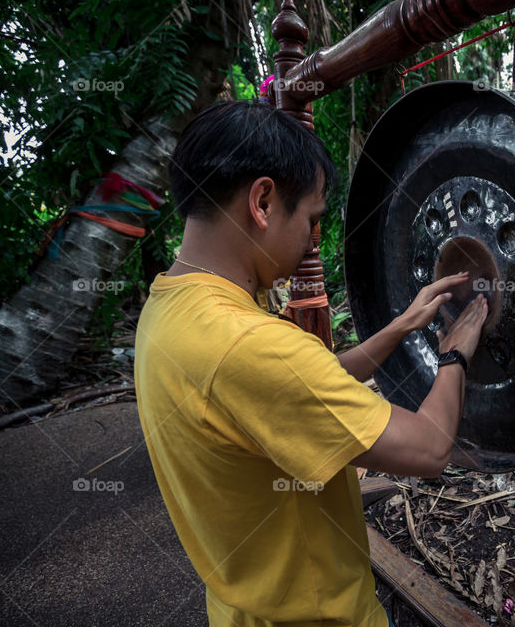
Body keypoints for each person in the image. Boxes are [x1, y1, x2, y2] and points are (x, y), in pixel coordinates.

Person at [134, 100, 487, 627]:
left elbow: (295, 390)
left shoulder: (167, 309)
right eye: (312, 218)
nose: (311, 240)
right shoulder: (251, 344)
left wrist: (400, 327)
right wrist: (454, 351)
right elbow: (431, 446)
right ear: (263, 201)